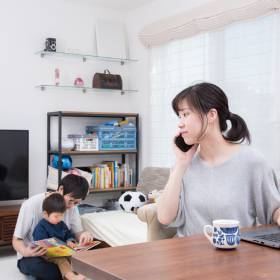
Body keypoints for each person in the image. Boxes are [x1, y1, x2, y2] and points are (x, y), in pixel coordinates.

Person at [157, 82, 280, 236]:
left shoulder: (252, 161)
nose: (180, 124)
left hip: (237, 253)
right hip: (189, 256)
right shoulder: (184, 164)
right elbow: (164, 217)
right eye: (179, 116)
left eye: (186, 114)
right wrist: (181, 165)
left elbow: (275, 209)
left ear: (211, 115)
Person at [13, 174, 92, 280]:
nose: (71, 206)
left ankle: (68, 273)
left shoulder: (72, 208)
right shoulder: (30, 205)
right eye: (71, 200)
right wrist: (26, 251)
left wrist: (83, 235)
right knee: (43, 268)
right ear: (61, 189)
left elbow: (76, 232)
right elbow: (16, 240)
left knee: (86, 257)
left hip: (62, 253)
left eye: (76, 203)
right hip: (34, 255)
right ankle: (70, 273)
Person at [33, 193, 85, 280]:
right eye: (56, 216)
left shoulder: (61, 224)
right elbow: (40, 243)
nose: (60, 218)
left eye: (62, 215)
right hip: (47, 254)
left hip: (63, 251)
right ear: (45, 214)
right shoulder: (41, 226)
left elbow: (68, 234)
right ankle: (70, 277)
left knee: (74, 256)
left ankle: (80, 273)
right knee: (62, 260)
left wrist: (70, 241)